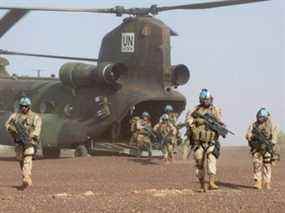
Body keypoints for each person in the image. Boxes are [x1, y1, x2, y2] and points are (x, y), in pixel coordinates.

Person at [186, 88, 223, 191]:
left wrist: (217, 124)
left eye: (209, 99)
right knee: (199, 163)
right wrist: (197, 121)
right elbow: (189, 121)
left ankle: (211, 182)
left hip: (211, 141)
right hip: (198, 142)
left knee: (212, 160)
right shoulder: (195, 110)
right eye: (206, 99)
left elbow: (219, 121)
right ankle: (202, 184)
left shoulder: (215, 109)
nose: (208, 101)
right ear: (201, 100)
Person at [5, 97, 42, 189]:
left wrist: (31, 136)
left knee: (28, 157)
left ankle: (26, 177)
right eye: (22, 106)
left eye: (25, 106)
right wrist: (13, 130)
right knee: (20, 159)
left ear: (29, 107)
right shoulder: (15, 116)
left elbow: (37, 129)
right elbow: (7, 125)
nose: (23, 108)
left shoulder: (35, 117)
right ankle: (26, 176)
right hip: (19, 141)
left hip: (30, 141)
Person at [245, 107, 279, 190]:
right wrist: (252, 136)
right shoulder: (254, 125)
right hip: (257, 148)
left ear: (265, 117)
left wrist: (269, 144)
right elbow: (247, 135)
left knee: (267, 165)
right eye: (259, 117)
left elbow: (274, 138)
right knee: (257, 164)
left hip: (267, 148)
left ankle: (267, 182)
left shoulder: (272, 125)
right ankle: (258, 182)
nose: (259, 119)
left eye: (261, 117)